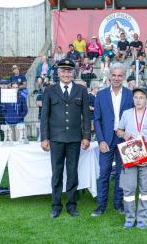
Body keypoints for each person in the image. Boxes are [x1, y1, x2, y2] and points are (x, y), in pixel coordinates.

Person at [40, 58, 91, 218]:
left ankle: (71, 205)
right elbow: (44, 116)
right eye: (63, 71)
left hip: (75, 139)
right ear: (58, 72)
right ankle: (56, 205)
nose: (66, 74)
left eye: (69, 71)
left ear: (73, 73)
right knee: (57, 173)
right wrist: (44, 138)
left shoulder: (81, 90)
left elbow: (86, 115)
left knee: (72, 172)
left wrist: (86, 136)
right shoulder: (49, 90)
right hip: (55, 139)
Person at [91, 62, 134, 217]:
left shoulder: (130, 94)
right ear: (109, 76)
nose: (116, 78)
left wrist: (129, 134)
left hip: (124, 140)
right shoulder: (101, 95)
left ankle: (118, 204)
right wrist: (101, 140)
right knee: (104, 173)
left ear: (123, 76)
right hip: (106, 140)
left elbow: (134, 118)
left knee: (122, 174)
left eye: (119, 75)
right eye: (114, 75)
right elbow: (96, 119)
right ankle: (101, 206)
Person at [116, 87, 147, 229]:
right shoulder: (127, 114)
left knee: (145, 187)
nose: (138, 100)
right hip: (130, 149)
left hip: (145, 149)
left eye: (142, 97)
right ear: (132, 99)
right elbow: (118, 130)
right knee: (129, 187)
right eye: (136, 97)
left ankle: (142, 218)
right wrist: (124, 134)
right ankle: (129, 218)